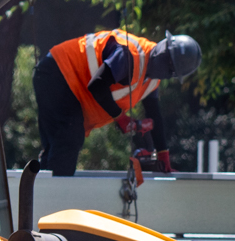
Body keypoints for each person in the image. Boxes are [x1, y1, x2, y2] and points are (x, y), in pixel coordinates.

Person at [33, 29, 201, 176]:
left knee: (60, 148)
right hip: (57, 73)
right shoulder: (129, 55)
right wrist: (121, 118)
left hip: (67, 84)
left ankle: (41, 198)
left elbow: (154, 114)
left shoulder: (151, 81)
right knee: (69, 138)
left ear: (170, 73)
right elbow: (97, 86)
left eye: (167, 61)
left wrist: (163, 158)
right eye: (164, 52)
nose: (161, 56)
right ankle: (55, 202)